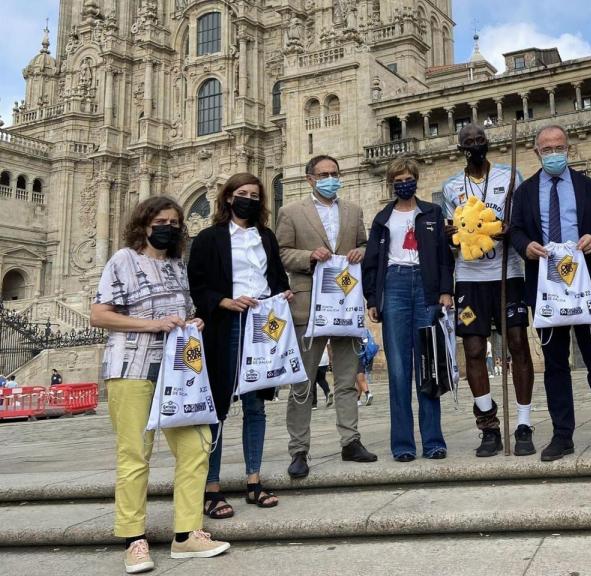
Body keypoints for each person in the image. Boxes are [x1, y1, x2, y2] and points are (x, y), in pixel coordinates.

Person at [90, 196, 230, 574]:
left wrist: (193, 322)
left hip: (178, 373)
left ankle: (186, 534)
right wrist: (152, 324)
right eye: (160, 221)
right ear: (144, 225)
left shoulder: (177, 267)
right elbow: (99, 314)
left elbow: (183, 313)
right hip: (132, 368)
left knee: (197, 444)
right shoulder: (122, 260)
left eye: (174, 222)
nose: (167, 227)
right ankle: (133, 540)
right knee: (135, 454)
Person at [509, 124, 591, 462]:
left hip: (586, 286)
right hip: (547, 287)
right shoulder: (525, 192)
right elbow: (516, 230)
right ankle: (562, 435)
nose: (553, 153)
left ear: (568, 148)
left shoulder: (588, 186)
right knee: (554, 363)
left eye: (559, 147)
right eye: (547, 149)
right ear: (536, 152)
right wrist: (527, 247)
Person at [188, 172, 293, 518]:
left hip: (261, 323)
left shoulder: (266, 236)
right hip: (227, 323)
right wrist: (223, 301)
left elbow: (275, 275)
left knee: (256, 406)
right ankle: (211, 487)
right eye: (241, 193)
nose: (247, 198)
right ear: (228, 198)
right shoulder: (209, 238)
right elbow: (198, 285)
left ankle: (253, 480)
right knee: (218, 406)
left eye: (254, 193)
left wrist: (283, 293)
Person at [277, 154, 378, 479]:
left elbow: (364, 245)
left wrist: (361, 252)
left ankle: (350, 440)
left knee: (348, 378)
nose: (330, 178)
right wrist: (309, 256)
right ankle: (299, 450)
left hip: (346, 306)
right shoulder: (291, 212)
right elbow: (281, 253)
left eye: (334, 173)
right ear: (309, 179)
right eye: (323, 174)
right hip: (309, 308)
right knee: (303, 382)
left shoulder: (353, 211)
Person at [441, 123, 536, 457]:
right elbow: (447, 233)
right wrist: (450, 232)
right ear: (461, 148)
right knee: (474, 350)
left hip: (507, 273)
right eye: (469, 142)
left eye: (480, 140)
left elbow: (524, 220)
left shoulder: (511, 176)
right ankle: (488, 425)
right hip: (469, 277)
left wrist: (511, 228)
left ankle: (523, 423)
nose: (476, 145)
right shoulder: (450, 186)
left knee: (517, 343)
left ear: (489, 143)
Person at [364, 157, 453, 462]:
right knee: (399, 369)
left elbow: (444, 256)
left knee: (428, 365)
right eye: (397, 179)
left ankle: (433, 441)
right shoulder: (382, 219)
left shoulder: (432, 212)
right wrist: (373, 299)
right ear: (392, 184)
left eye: (407, 178)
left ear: (416, 179)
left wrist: (445, 291)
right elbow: (372, 261)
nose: (403, 183)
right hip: (395, 284)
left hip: (425, 287)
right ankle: (402, 444)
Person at [356, 329, 377, 406]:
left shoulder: (354, 331)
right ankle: (357, 399)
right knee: (359, 379)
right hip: (367, 356)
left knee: (359, 378)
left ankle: (367, 393)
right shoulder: (366, 330)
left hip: (357, 356)